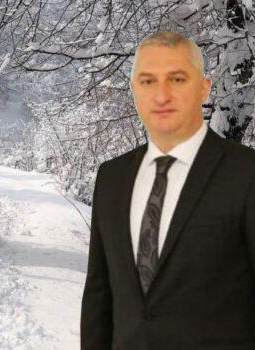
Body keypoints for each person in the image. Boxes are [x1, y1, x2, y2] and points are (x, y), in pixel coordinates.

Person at [81, 31, 255, 350]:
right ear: (134, 90)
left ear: (204, 88)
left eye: (176, 79)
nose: (161, 96)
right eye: (147, 81)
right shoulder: (112, 178)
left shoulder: (246, 173)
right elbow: (99, 296)